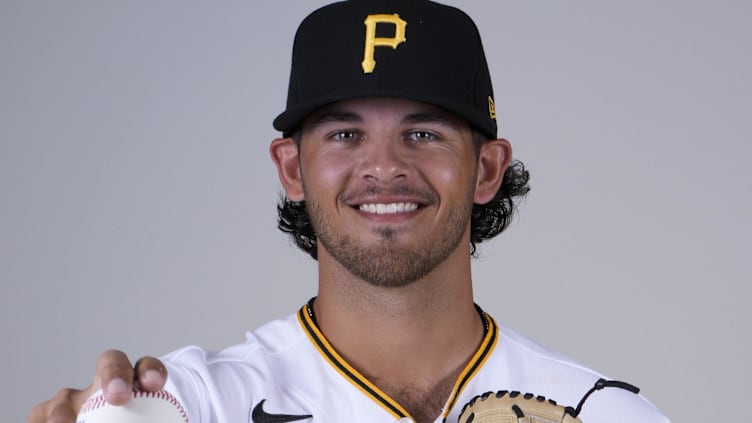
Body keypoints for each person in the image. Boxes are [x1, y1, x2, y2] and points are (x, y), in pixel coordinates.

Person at [28, 0, 670, 422]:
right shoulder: (196, 403)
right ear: (291, 169)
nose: (385, 166)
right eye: (344, 134)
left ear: (486, 169)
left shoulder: (600, 411)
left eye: (425, 133)